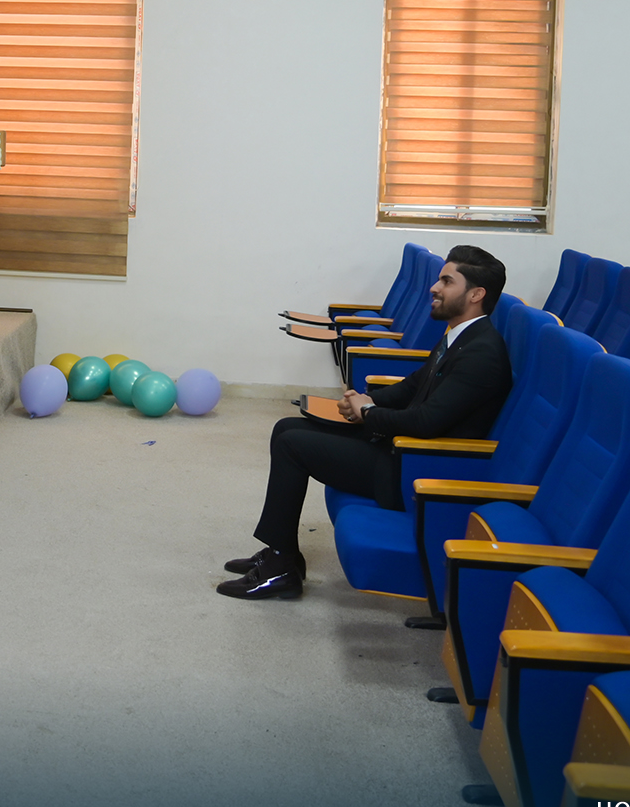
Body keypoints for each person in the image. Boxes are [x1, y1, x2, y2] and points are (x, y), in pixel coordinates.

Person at [218, 245, 514, 600]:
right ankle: (282, 552)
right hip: (402, 452)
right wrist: (364, 399)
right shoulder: (460, 336)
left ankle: (280, 568)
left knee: (292, 445)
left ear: (476, 294)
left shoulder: (483, 353)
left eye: (447, 282)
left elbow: (426, 422)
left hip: (419, 471)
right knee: (287, 428)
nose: (434, 288)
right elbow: (413, 387)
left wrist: (369, 414)